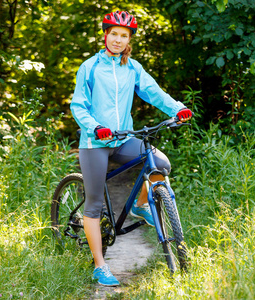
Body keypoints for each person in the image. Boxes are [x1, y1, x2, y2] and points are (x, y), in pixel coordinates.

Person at [70, 10, 193, 286]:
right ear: (105, 35)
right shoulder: (90, 67)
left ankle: (140, 205)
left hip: (123, 138)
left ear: (129, 41)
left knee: (159, 162)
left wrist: (178, 108)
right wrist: (94, 127)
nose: (117, 39)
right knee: (94, 206)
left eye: (123, 35)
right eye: (113, 33)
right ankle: (100, 266)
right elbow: (78, 105)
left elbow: (153, 91)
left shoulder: (132, 67)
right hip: (95, 142)